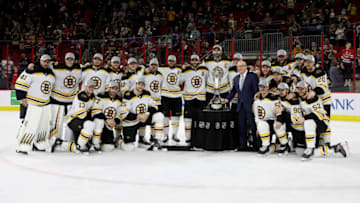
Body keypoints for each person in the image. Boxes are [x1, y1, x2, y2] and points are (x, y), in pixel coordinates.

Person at [295, 81, 348, 160]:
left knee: (308, 122)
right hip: (315, 124)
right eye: (298, 89)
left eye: (302, 89)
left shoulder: (313, 99)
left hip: (322, 123)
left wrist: (305, 118)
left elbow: (320, 114)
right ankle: (334, 148)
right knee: (299, 151)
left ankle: (310, 148)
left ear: (307, 89)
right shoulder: (301, 98)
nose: (300, 91)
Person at [15, 54, 56, 154]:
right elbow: (20, 82)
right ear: (40, 61)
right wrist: (21, 97)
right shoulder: (32, 71)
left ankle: (39, 144)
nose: (46, 63)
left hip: (46, 104)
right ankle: (22, 146)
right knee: (30, 125)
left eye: (48, 61)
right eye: (44, 61)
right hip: (33, 104)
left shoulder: (51, 74)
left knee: (43, 126)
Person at [56, 79, 105, 154]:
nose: (91, 89)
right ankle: (78, 145)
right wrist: (92, 121)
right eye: (89, 87)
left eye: (92, 87)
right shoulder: (80, 96)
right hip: (73, 119)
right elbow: (81, 115)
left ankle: (94, 143)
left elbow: (97, 112)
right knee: (90, 125)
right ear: (85, 87)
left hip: (82, 121)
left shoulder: (94, 97)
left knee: (99, 121)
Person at [221, 60, 259, 151]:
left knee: (253, 125)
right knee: (241, 126)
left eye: (242, 66)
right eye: (238, 67)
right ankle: (243, 144)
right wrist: (227, 99)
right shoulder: (236, 78)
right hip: (240, 106)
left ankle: (256, 144)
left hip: (251, 105)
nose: (240, 68)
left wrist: (256, 103)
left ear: (246, 66)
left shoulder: (253, 76)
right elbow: (234, 91)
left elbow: (256, 91)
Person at [122, 77, 164, 151]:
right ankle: (119, 141)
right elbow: (124, 113)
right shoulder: (128, 95)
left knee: (159, 116)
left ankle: (157, 140)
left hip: (144, 118)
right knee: (129, 148)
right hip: (131, 121)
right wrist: (138, 116)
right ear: (135, 85)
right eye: (138, 84)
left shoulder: (146, 93)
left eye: (142, 84)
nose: (140, 86)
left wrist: (147, 113)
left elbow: (155, 105)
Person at [49, 52, 82, 145]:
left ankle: (69, 141)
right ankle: (54, 140)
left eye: (72, 59)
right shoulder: (56, 68)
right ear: (65, 59)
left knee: (70, 122)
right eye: (68, 59)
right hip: (57, 100)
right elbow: (45, 65)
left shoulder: (79, 69)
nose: (70, 61)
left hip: (71, 101)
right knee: (57, 123)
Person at [252, 79, 288, 155]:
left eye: (264, 87)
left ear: (268, 87)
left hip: (275, 120)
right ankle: (266, 145)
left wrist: (279, 121)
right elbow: (257, 116)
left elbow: (279, 112)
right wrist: (258, 128)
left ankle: (284, 144)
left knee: (277, 125)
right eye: (260, 86)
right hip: (265, 122)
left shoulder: (273, 98)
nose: (262, 88)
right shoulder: (256, 100)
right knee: (261, 125)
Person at [180, 54, 208, 144]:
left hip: (201, 98)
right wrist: (182, 70)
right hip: (189, 98)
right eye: (193, 60)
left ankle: (200, 137)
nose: (194, 62)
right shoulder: (186, 71)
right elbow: (179, 81)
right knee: (188, 119)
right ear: (190, 61)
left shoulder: (204, 70)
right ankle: (188, 138)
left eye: (196, 60)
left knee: (201, 118)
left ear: (199, 61)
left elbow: (209, 81)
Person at [97, 81, 129, 151]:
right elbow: (96, 110)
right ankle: (93, 141)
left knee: (108, 148)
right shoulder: (101, 96)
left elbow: (120, 113)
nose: (114, 90)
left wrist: (115, 121)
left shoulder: (119, 99)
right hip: (101, 122)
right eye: (112, 88)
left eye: (116, 89)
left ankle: (116, 138)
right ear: (109, 88)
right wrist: (106, 119)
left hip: (110, 125)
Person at [158, 55, 182, 143]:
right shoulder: (162, 69)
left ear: (175, 61)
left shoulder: (180, 70)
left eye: (173, 61)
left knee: (176, 117)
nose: (171, 62)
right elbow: (151, 67)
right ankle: (165, 135)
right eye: (170, 61)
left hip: (177, 96)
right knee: (165, 117)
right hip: (165, 96)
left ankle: (175, 135)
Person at [141, 58, 163, 144]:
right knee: (144, 119)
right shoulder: (144, 75)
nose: (153, 66)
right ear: (149, 65)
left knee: (156, 119)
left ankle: (153, 136)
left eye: (155, 65)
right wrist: (143, 69)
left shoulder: (160, 76)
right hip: (146, 101)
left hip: (157, 102)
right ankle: (141, 137)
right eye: (152, 65)